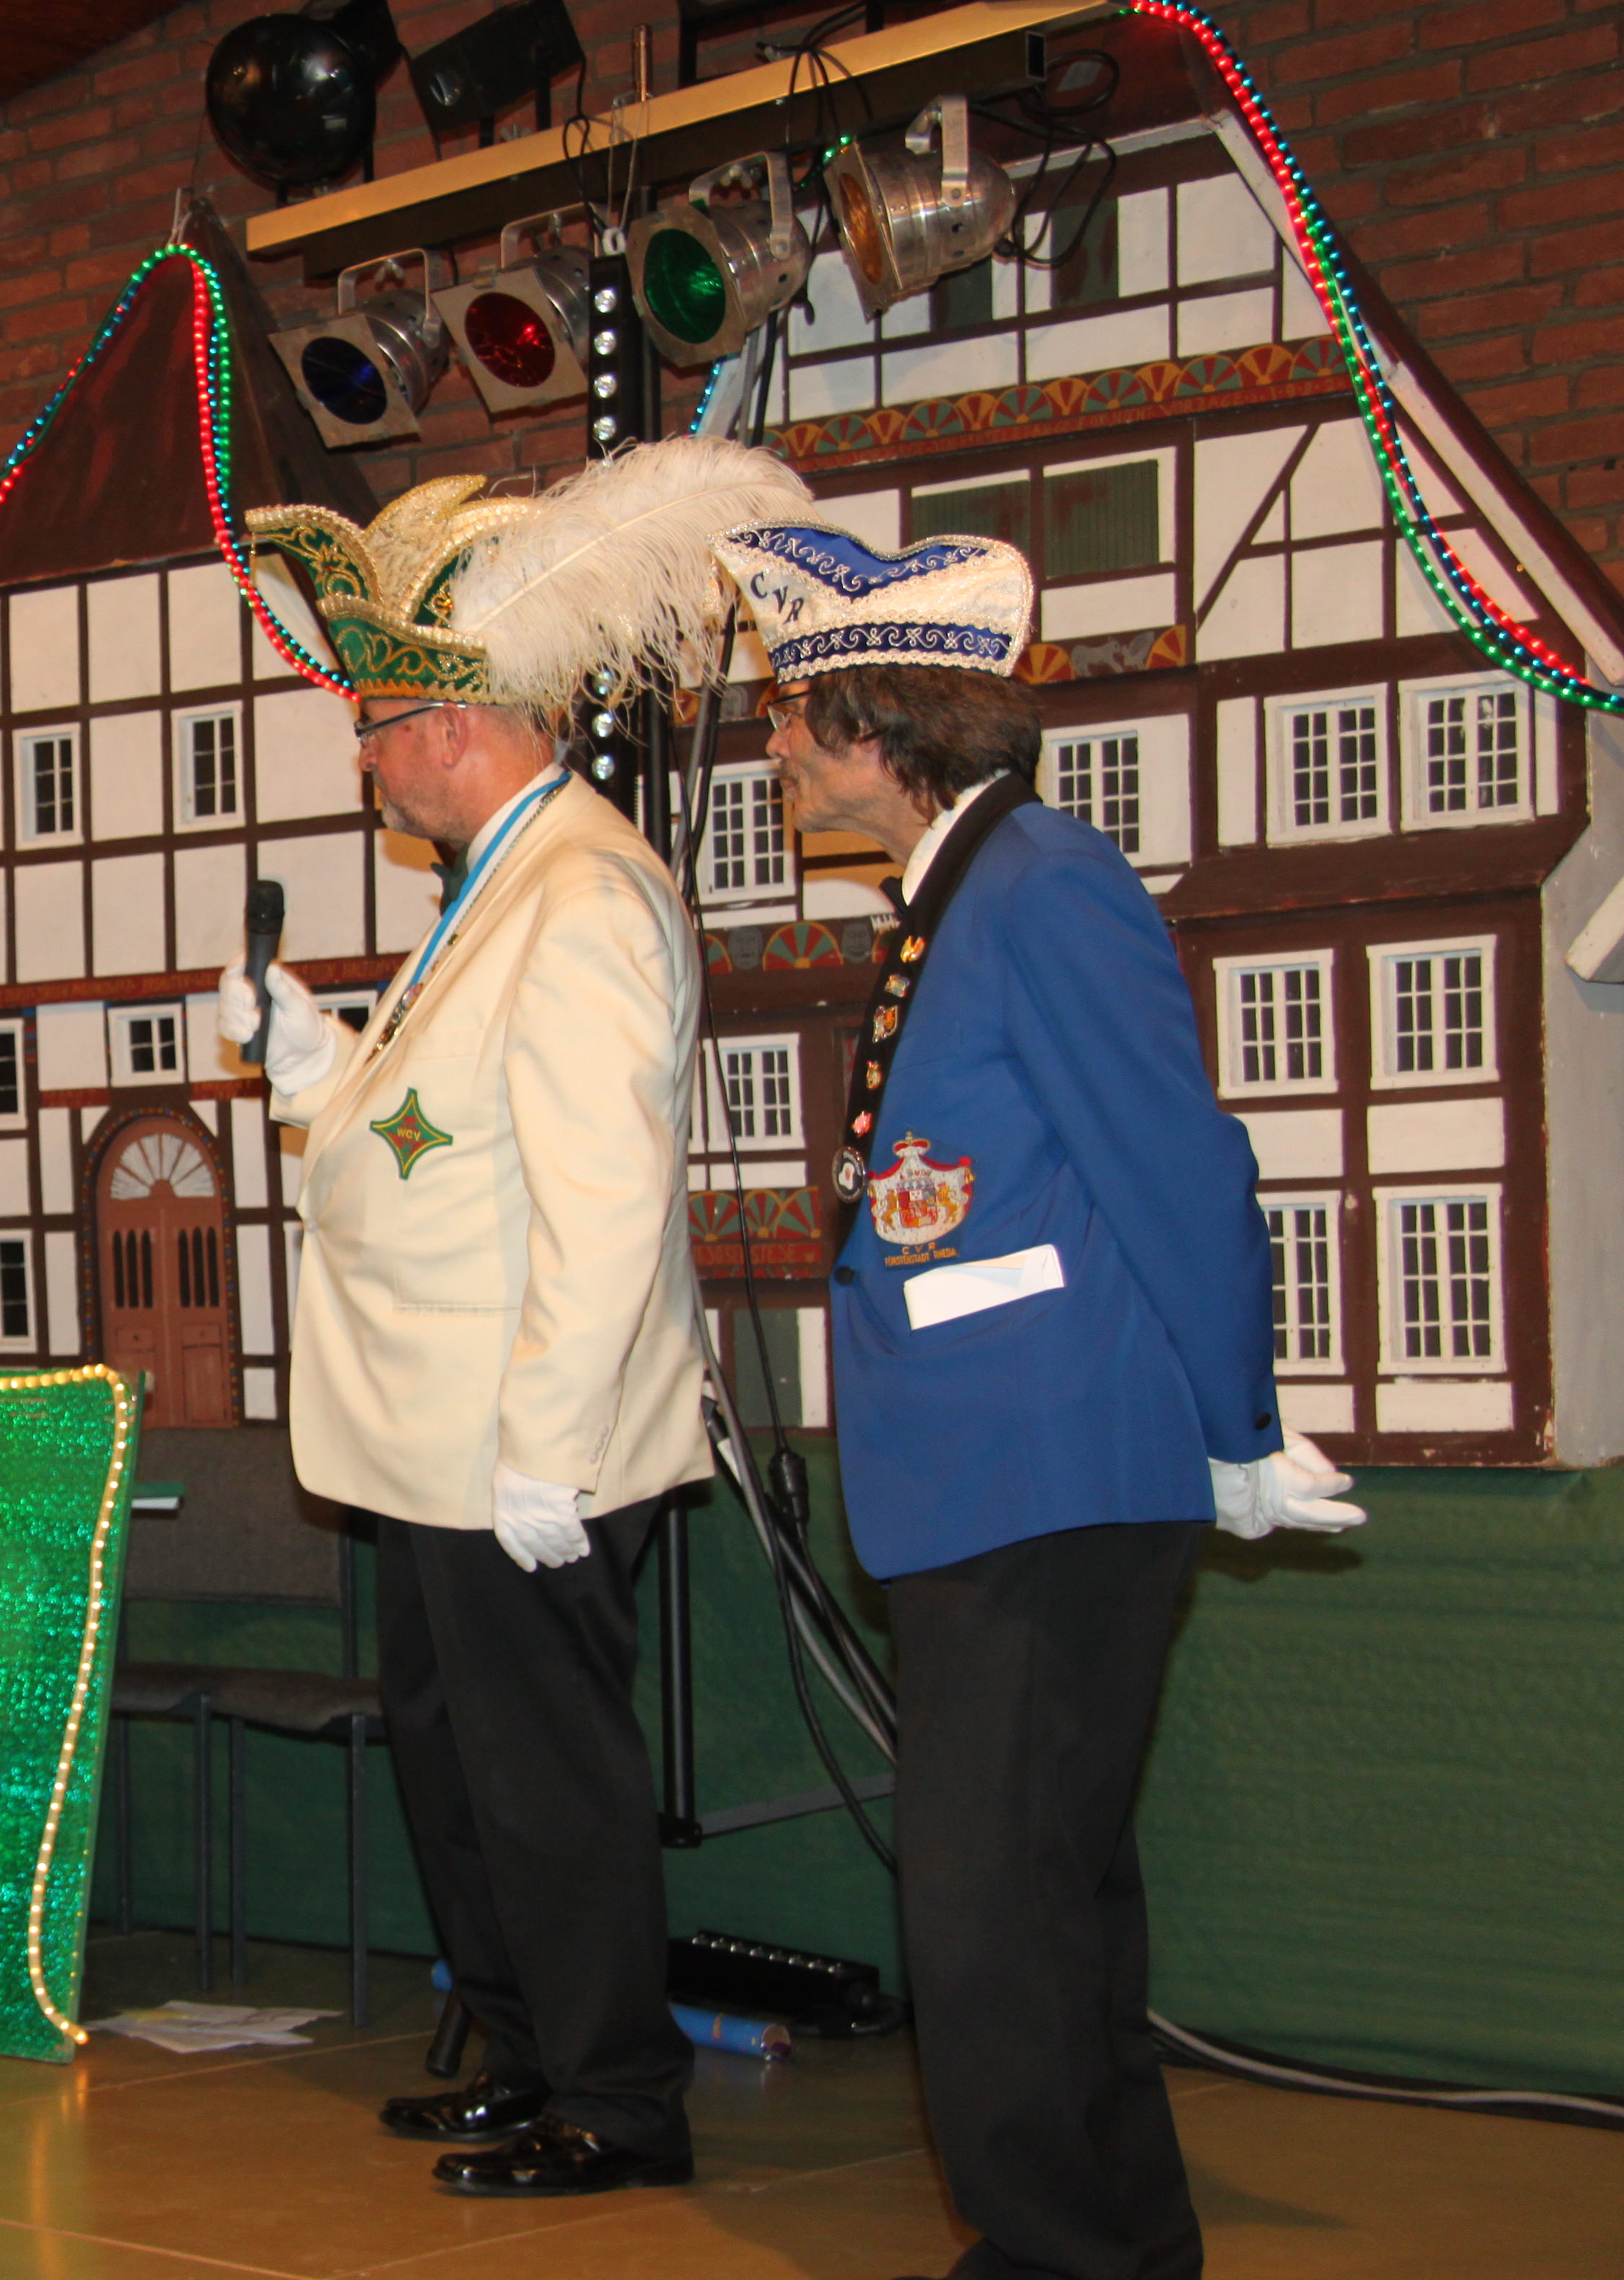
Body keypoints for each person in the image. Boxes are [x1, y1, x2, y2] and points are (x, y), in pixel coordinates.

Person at [712, 522, 1367, 2280]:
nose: (774, 747)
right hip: (1002, 1477)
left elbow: (1179, 1165)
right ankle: (1113, 2252)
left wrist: (1239, 1425)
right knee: (1044, 1910)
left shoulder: (1043, 881)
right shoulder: (969, 888)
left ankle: (1058, 2258)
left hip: (1050, 1479)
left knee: (993, 1921)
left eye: (789, 714)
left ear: (872, 723)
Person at [230, 440, 812, 2197]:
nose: (364, 759)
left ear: (454, 725)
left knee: (546, 1779)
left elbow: (603, 1206)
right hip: (441, 1441)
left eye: (377, 727)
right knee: (461, 1766)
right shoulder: (499, 883)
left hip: (518, 1441)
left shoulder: (581, 897)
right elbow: (437, 1135)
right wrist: (312, 1059)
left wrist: (553, 1448)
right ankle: (523, 2047)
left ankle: (618, 2098)